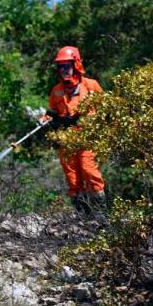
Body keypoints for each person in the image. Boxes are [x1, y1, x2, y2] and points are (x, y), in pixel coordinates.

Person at [42, 46, 106, 216]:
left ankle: (101, 216)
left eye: (66, 66)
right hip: (66, 141)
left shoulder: (91, 86)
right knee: (73, 179)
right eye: (60, 66)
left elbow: (106, 110)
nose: (63, 70)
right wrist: (45, 119)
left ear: (76, 64)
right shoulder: (56, 91)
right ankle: (83, 217)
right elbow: (51, 112)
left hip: (87, 139)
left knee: (90, 172)